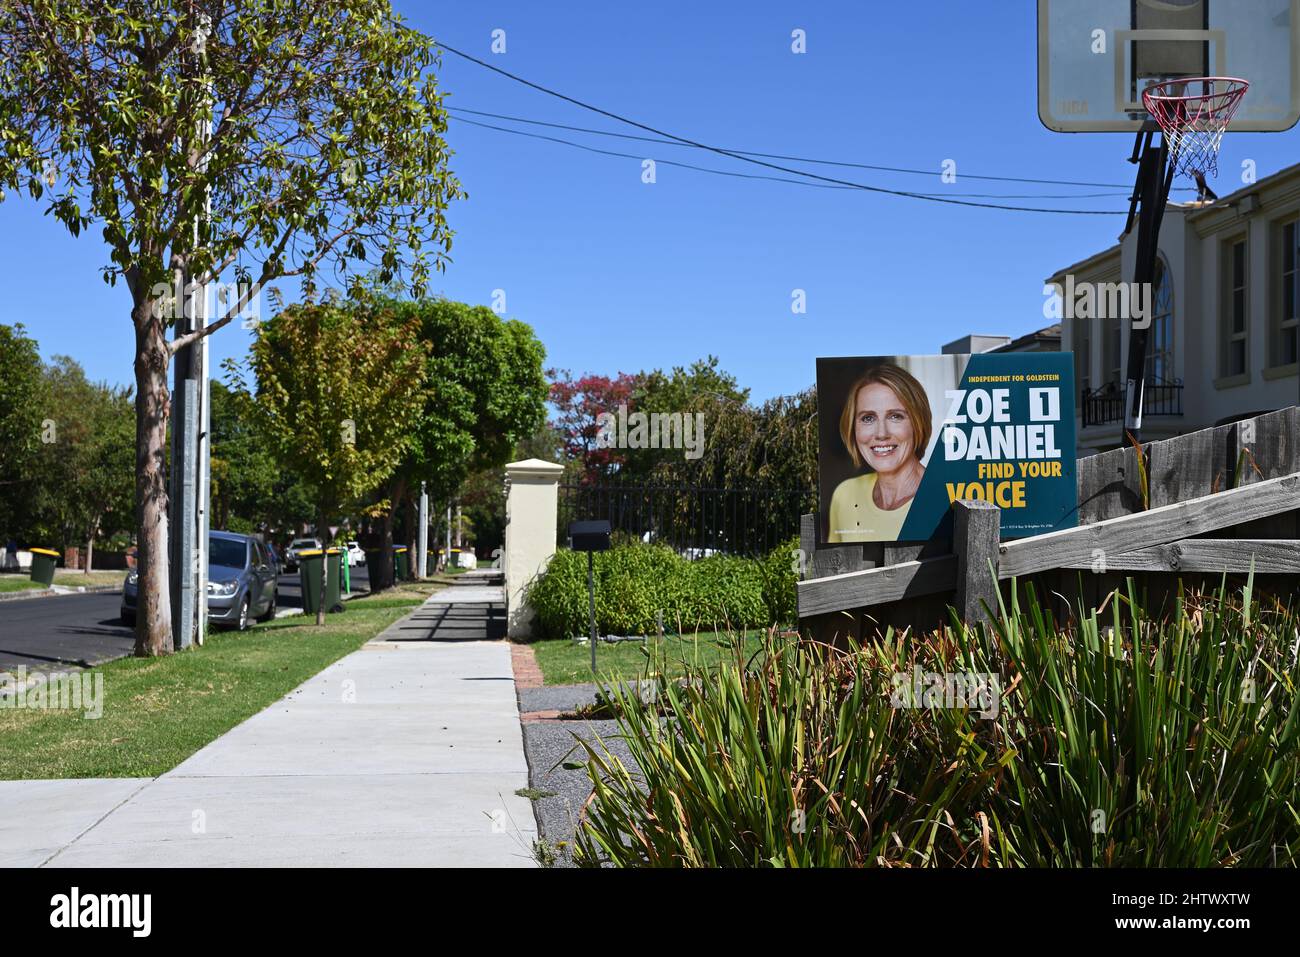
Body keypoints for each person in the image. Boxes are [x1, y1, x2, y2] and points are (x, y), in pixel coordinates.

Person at [827, 363, 932, 542]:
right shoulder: (844, 495)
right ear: (853, 428)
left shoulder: (945, 497)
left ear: (918, 423)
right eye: (868, 418)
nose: (881, 434)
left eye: (895, 416)